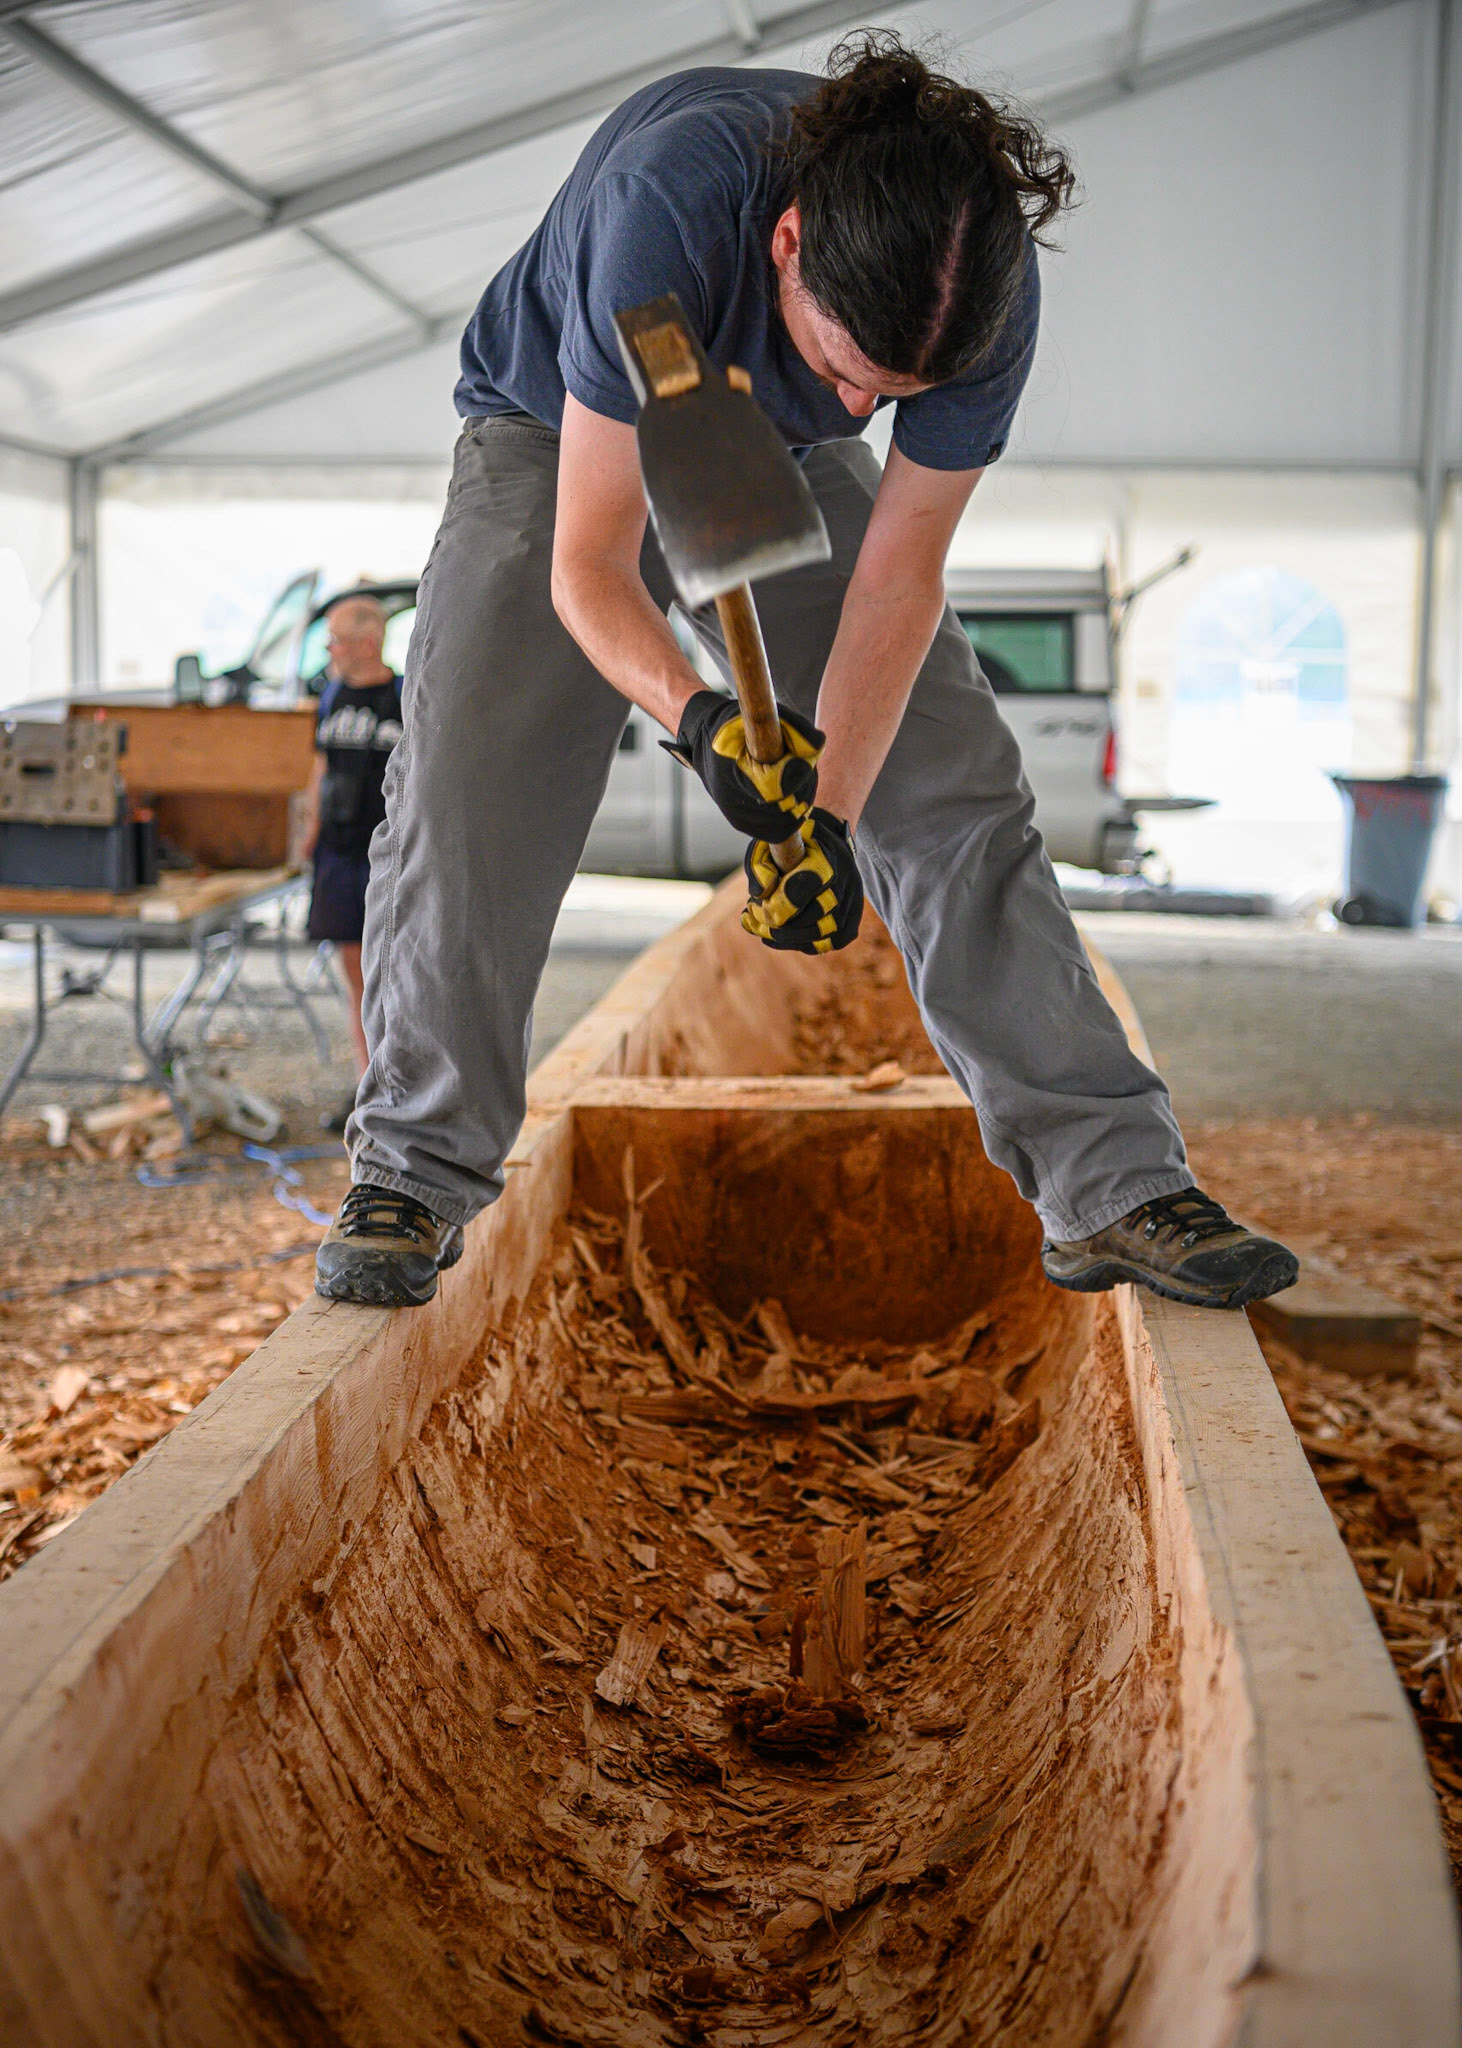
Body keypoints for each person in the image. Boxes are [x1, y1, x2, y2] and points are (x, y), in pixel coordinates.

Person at [316, 34, 1298, 1314]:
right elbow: (592, 571)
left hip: (757, 440)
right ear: (786, 243)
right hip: (555, 429)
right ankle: (412, 1171)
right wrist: (706, 721)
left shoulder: (969, 296)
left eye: (895, 396)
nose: (864, 403)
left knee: (951, 788)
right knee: (474, 794)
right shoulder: (668, 205)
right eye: (847, 370)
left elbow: (897, 580)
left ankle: (1112, 1181)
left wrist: (825, 809)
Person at [300, 595, 403, 1132]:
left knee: (393, 972)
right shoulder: (331, 695)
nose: (330, 650)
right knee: (352, 971)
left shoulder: (404, 696)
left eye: (336, 640)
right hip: (338, 853)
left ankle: (398, 1087)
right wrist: (308, 830)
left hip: (385, 854)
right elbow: (320, 767)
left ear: (368, 642)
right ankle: (368, 1087)